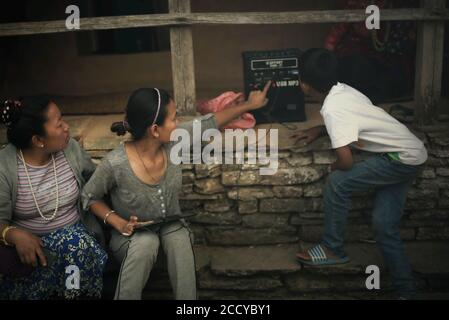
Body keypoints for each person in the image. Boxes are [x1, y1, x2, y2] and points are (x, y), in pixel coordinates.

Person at [81, 82, 271, 300]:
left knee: (179, 238)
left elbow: (209, 122)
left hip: (170, 225)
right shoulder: (115, 163)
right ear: (154, 130)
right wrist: (119, 223)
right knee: (145, 243)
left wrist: (249, 104)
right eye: (173, 118)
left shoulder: (174, 143)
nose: (178, 123)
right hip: (132, 235)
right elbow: (90, 197)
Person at [293, 49, 427, 299]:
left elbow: (345, 162)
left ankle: (333, 248)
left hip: (399, 159)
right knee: (384, 225)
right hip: (411, 152)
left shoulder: (333, 109)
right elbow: (352, 120)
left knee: (337, 182)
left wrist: (328, 169)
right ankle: (406, 290)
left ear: (304, 84)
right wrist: (321, 130)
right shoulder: (344, 90)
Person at [0, 97, 107, 299]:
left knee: (77, 246)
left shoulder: (71, 149)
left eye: (63, 120)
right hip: (32, 256)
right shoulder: (5, 167)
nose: (67, 128)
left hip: (78, 251)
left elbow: (96, 185)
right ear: (38, 140)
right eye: (59, 124)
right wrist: (13, 234)